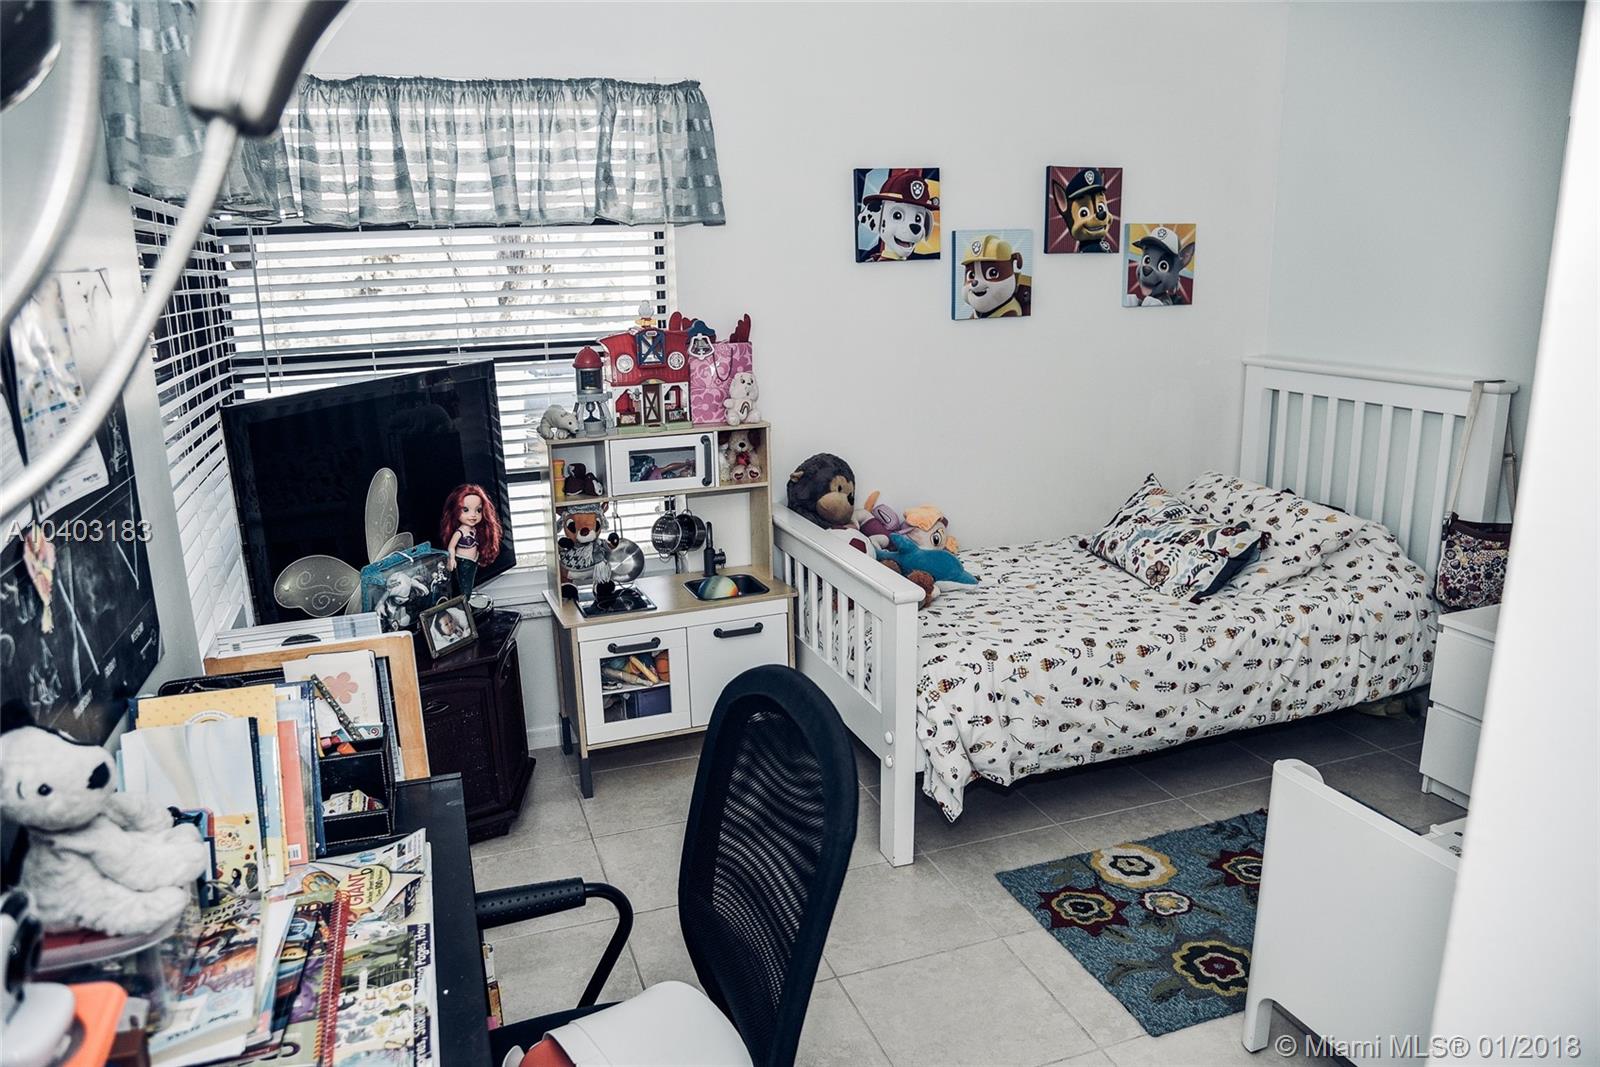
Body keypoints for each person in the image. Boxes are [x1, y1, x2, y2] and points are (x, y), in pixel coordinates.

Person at [439, 484, 503, 598]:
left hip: (473, 561)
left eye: (478, 510)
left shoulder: (474, 529)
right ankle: (465, 601)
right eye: (466, 510)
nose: (473, 515)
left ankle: (466, 600)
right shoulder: (459, 532)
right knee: (465, 586)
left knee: (470, 583)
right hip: (463, 561)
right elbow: (451, 547)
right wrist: (451, 559)